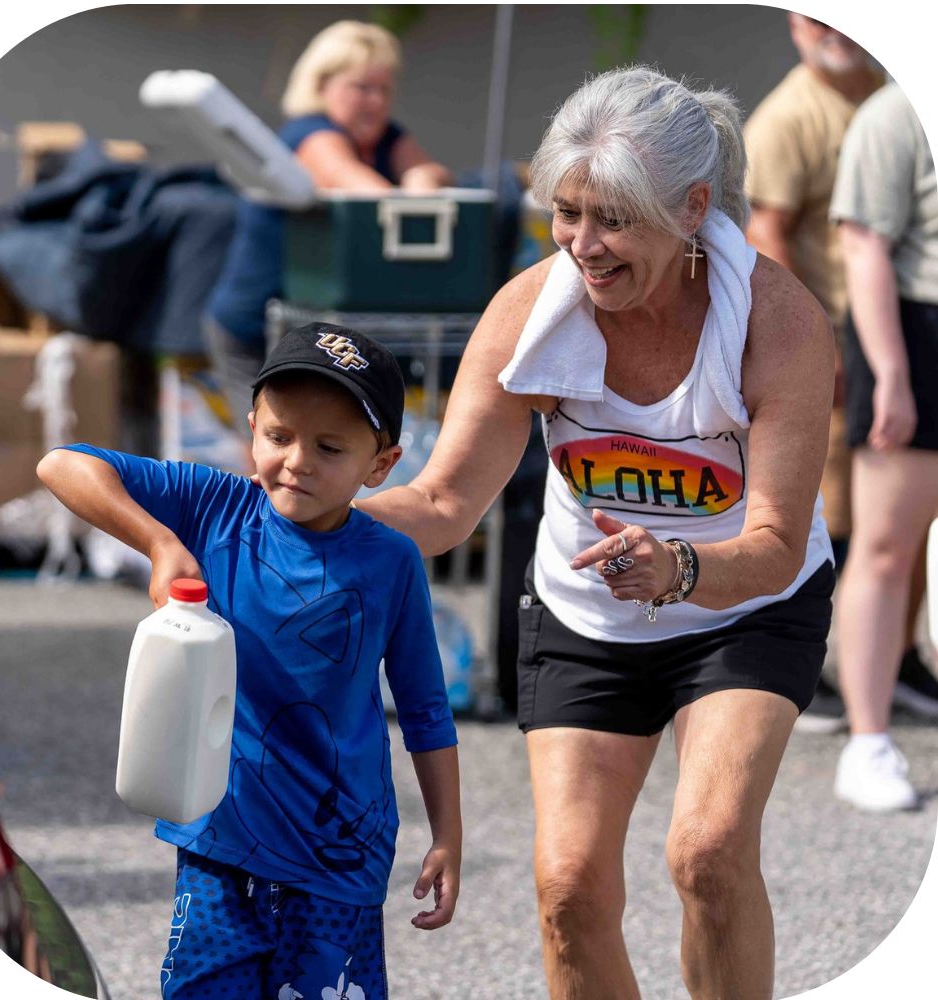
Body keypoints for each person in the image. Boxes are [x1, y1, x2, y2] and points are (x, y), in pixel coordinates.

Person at [356, 65, 836, 998]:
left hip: (746, 606)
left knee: (708, 851)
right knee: (568, 890)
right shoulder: (530, 314)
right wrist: (296, 518)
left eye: (613, 218)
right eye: (566, 213)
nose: (583, 245)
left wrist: (677, 565)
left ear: (693, 208)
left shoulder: (774, 321)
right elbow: (444, 504)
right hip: (586, 613)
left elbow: (777, 543)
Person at [36, 324, 461, 998]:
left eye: (329, 448)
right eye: (279, 436)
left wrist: (447, 836)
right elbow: (60, 464)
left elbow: (426, 711)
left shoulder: (391, 561)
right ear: (253, 429)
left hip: (338, 856)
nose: (297, 462)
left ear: (381, 464)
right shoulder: (215, 507)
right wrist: (159, 543)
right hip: (218, 839)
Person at [204, 20, 452, 442]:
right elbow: (368, 193)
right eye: (361, 88)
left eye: (384, 89)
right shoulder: (311, 134)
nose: (375, 101)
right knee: (273, 449)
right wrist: (416, 193)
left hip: (312, 329)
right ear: (321, 85)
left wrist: (421, 179)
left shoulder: (386, 137)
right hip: (257, 326)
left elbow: (430, 174)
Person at [743, 12, 886, 733]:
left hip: (885, 339)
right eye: (812, 13)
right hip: (831, 346)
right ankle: (807, 670)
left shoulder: (886, 91)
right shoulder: (788, 116)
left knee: (882, 516)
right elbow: (765, 233)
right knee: (818, 516)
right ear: (793, 25)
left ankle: (889, 661)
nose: (832, 25)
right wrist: (810, 346)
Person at [829, 82, 938, 812]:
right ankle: (867, 743)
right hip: (915, 331)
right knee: (887, 547)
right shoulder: (895, 113)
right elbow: (862, 241)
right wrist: (893, 373)